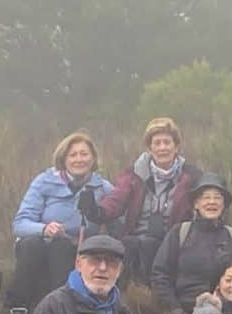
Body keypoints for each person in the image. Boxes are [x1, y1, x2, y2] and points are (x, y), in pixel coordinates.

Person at [5, 132, 112, 314]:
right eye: (73, 155)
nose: (79, 159)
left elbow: (116, 218)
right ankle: (18, 311)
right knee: (31, 244)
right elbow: (20, 223)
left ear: (93, 158)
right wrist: (44, 228)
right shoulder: (43, 182)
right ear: (63, 159)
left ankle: (61, 312)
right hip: (39, 245)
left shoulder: (103, 188)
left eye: (84, 154)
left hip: (75, 248)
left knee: (62, 247)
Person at [85, 117, 203, 285]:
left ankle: (154, 298)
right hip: (136, 239)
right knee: (129, 245)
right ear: (149, 148)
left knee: (149, 246)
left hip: (172, 241)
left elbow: (202, 204)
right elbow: (117, 199)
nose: (162, 148)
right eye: (157, 143)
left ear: (176, 146)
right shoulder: (134, 174)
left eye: (167, 142)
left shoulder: (191, 176)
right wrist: (97, 211)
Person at [151, 172, 232, 314]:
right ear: (196, 203)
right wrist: (174, 309)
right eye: (206, 197)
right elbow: (160, 274)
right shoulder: (180, 233)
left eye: (217, 197)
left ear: (224, 204)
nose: (212, 202)